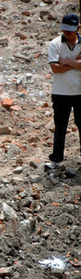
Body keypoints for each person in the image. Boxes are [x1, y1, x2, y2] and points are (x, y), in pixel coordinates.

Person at [46, 12, 81, 169]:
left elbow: (61, 66)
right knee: (60, 127)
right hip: (61, 93)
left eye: (70, 30)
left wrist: (66, 62)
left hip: (80, 92)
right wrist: (76, 62)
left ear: (77, 28)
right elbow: (55, 68)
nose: (67, 33)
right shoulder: (55, 44)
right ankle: (56, 159)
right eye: (64, 29)